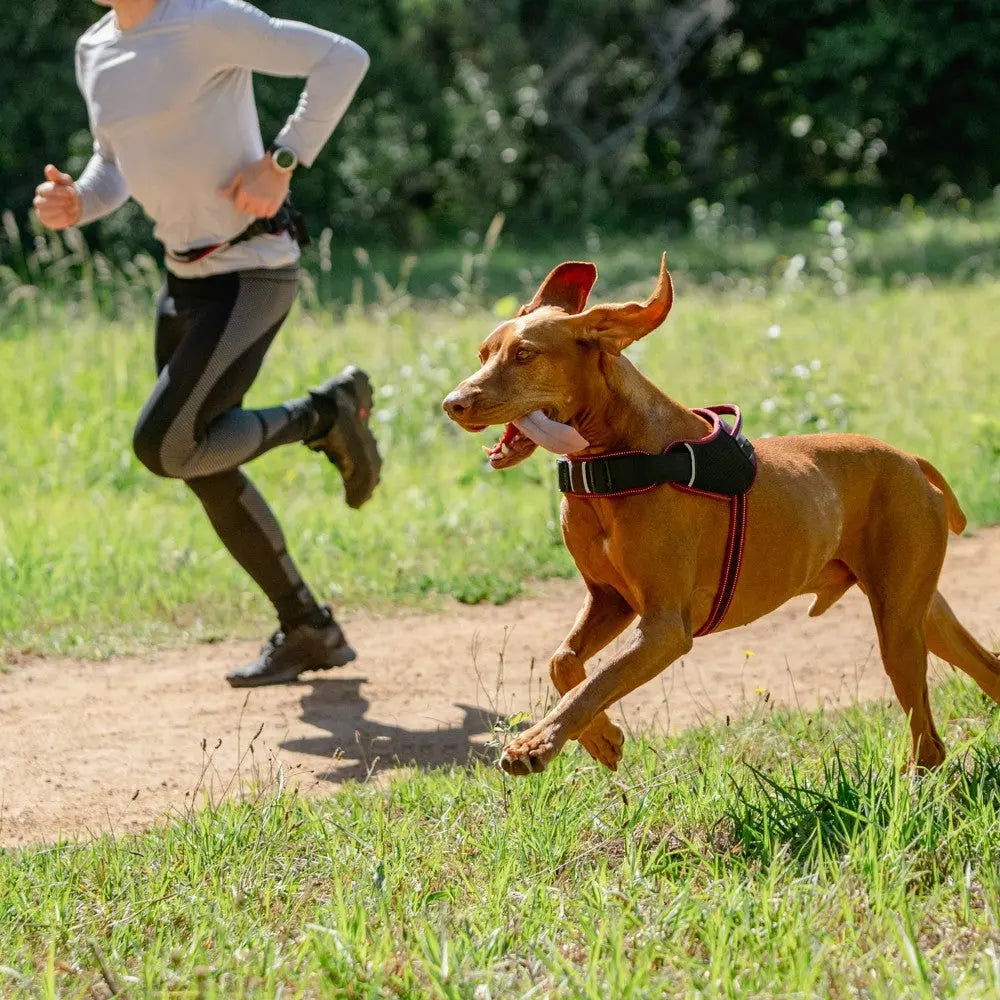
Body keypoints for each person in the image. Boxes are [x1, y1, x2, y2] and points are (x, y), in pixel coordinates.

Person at [33, 0, 382, 687]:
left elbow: (343, 58)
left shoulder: (205, 19)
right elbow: (115, 164)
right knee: (200, 461)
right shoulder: (94, 48)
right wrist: (80, 203)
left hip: (251, 270)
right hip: (183, 278)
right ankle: (307, 626)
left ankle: (326, 413)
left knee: (163, 445)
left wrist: (282, 159)